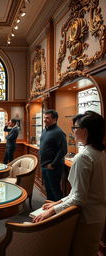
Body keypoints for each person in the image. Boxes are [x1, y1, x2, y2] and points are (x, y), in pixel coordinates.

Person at [34, 111, 106, 256]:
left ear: (84, 131)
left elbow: (79, 197)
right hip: (96, 215)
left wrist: (51, 211)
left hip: (85, 217)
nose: (73, 131)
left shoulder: (84, 157)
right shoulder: (99, 152)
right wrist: (58, 202)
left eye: (75, 128)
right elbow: (80, 192)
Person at [39, 109, 67, 201]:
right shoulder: (44, 130)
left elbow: (63, 150)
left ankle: (58, 213)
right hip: (44, 166)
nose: (44, 120)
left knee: (55, 190)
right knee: (48, 190)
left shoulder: (59, 132)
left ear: (54, 119)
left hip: (53, 167)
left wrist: (52, 164)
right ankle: (49, 208)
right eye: (44, 118)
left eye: (47, 118)